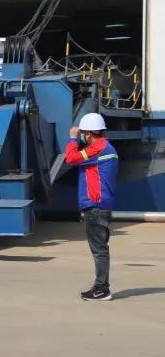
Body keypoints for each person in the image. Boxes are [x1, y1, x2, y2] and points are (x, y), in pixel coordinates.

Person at [64, 112, 119, 301]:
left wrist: (73, 138)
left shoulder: (99, 148)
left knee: (99, 250)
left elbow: (71, 158)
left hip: (95, 205)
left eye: (83, 134)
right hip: (99, 204)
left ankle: (102, 289)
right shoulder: (104, 147)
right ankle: (100, 287)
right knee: (100, 248)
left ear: (88, 134)